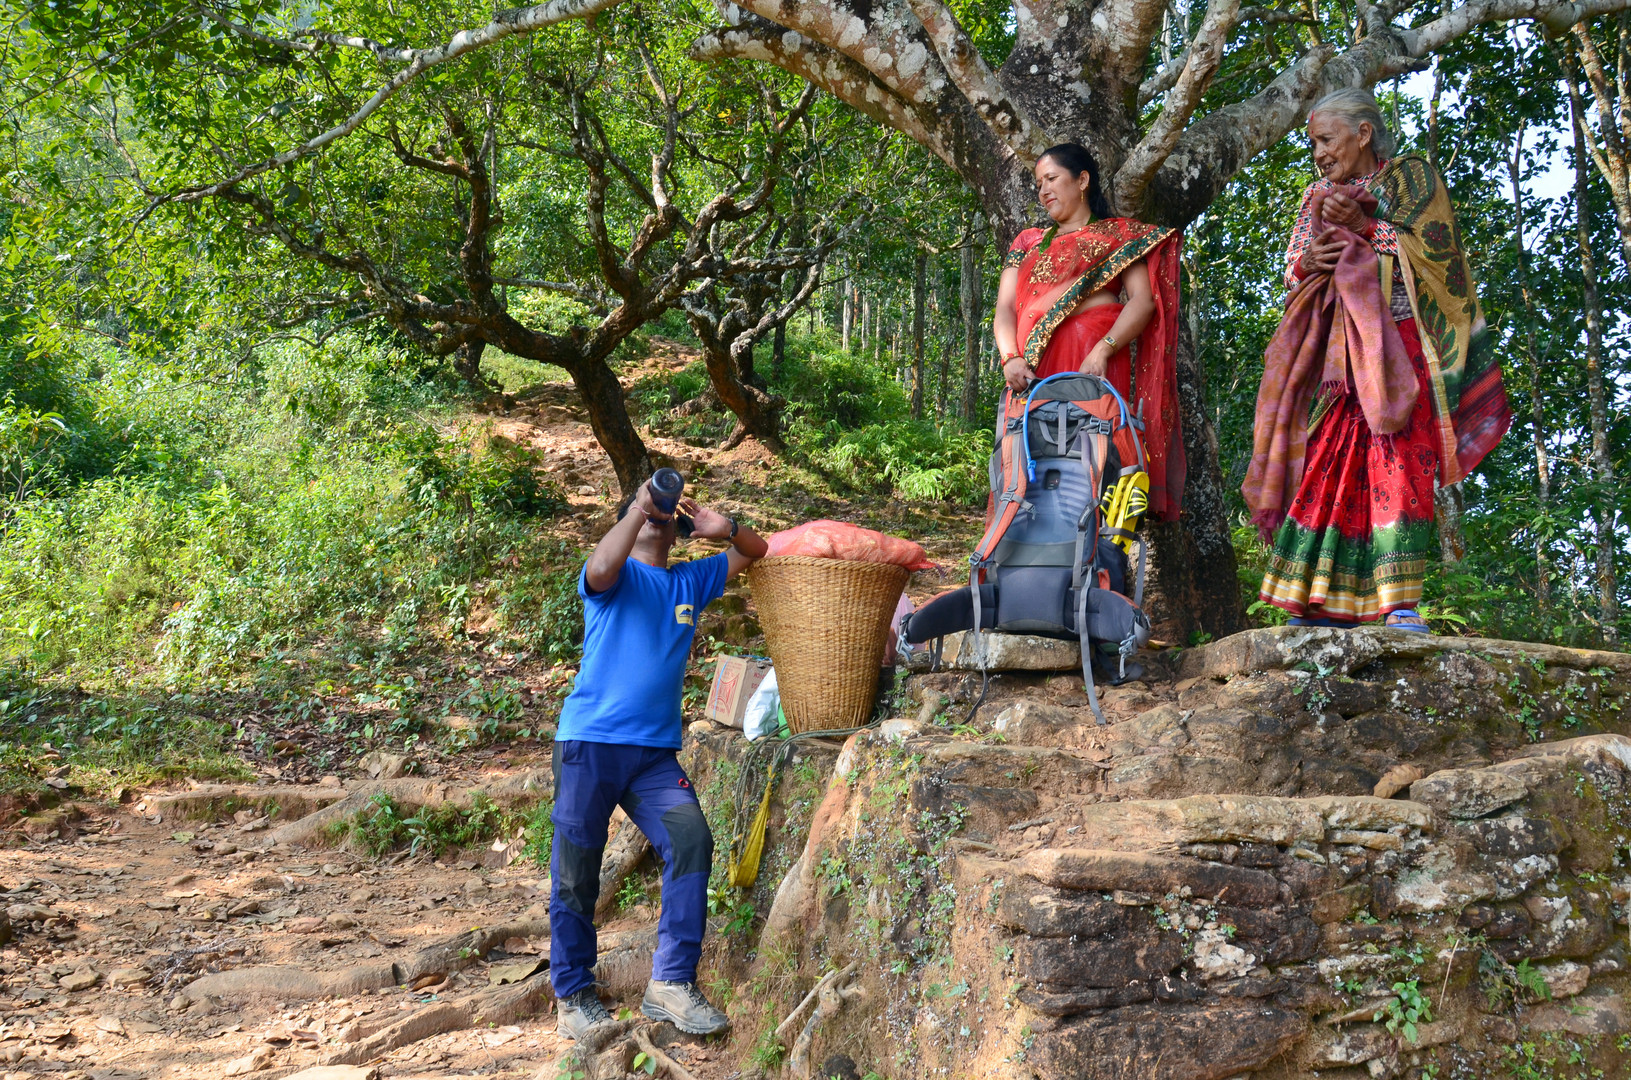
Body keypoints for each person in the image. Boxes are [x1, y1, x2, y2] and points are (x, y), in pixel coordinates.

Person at [1243, 88, 1510, 629]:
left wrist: (1369, 227)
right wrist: (1309, 260)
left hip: (1402, 345)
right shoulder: (1315, 194)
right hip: (1337, 357)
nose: (1318, 153)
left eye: (1325, 139)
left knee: (1400, 462)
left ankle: (1398, 604)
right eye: (1312, 143)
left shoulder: (1412, 178)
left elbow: (1438, 255)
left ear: (1363, 133)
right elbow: (1294, 266)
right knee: (1326, 463)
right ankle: (1314, 603)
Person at [548, 478, 768, 1040]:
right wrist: (640, 506)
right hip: (590, 746)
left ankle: (669, 983)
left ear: (678, 531)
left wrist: (727, 529)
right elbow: (599, 565)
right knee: (577, 873)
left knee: (691, 838)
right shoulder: (613, 573)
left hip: (651, 756)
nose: (656, 517)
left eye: (664, 514)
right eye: (644, 512)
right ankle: (573, 995)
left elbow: (754, 551)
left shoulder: (689, 579)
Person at [991, 142, 1187, 520]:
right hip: (1030, 374)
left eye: (1052, 179)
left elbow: (1142, 302)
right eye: (1038, 183)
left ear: (1082, 180)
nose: (1043, 190)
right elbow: (1004, 308)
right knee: (1032, 475)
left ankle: (1090, 568)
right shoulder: (1028, 242)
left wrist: (1104, 348)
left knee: (1091, 473)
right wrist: (1009, 358)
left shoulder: (1117, 238)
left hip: (1091, 368)